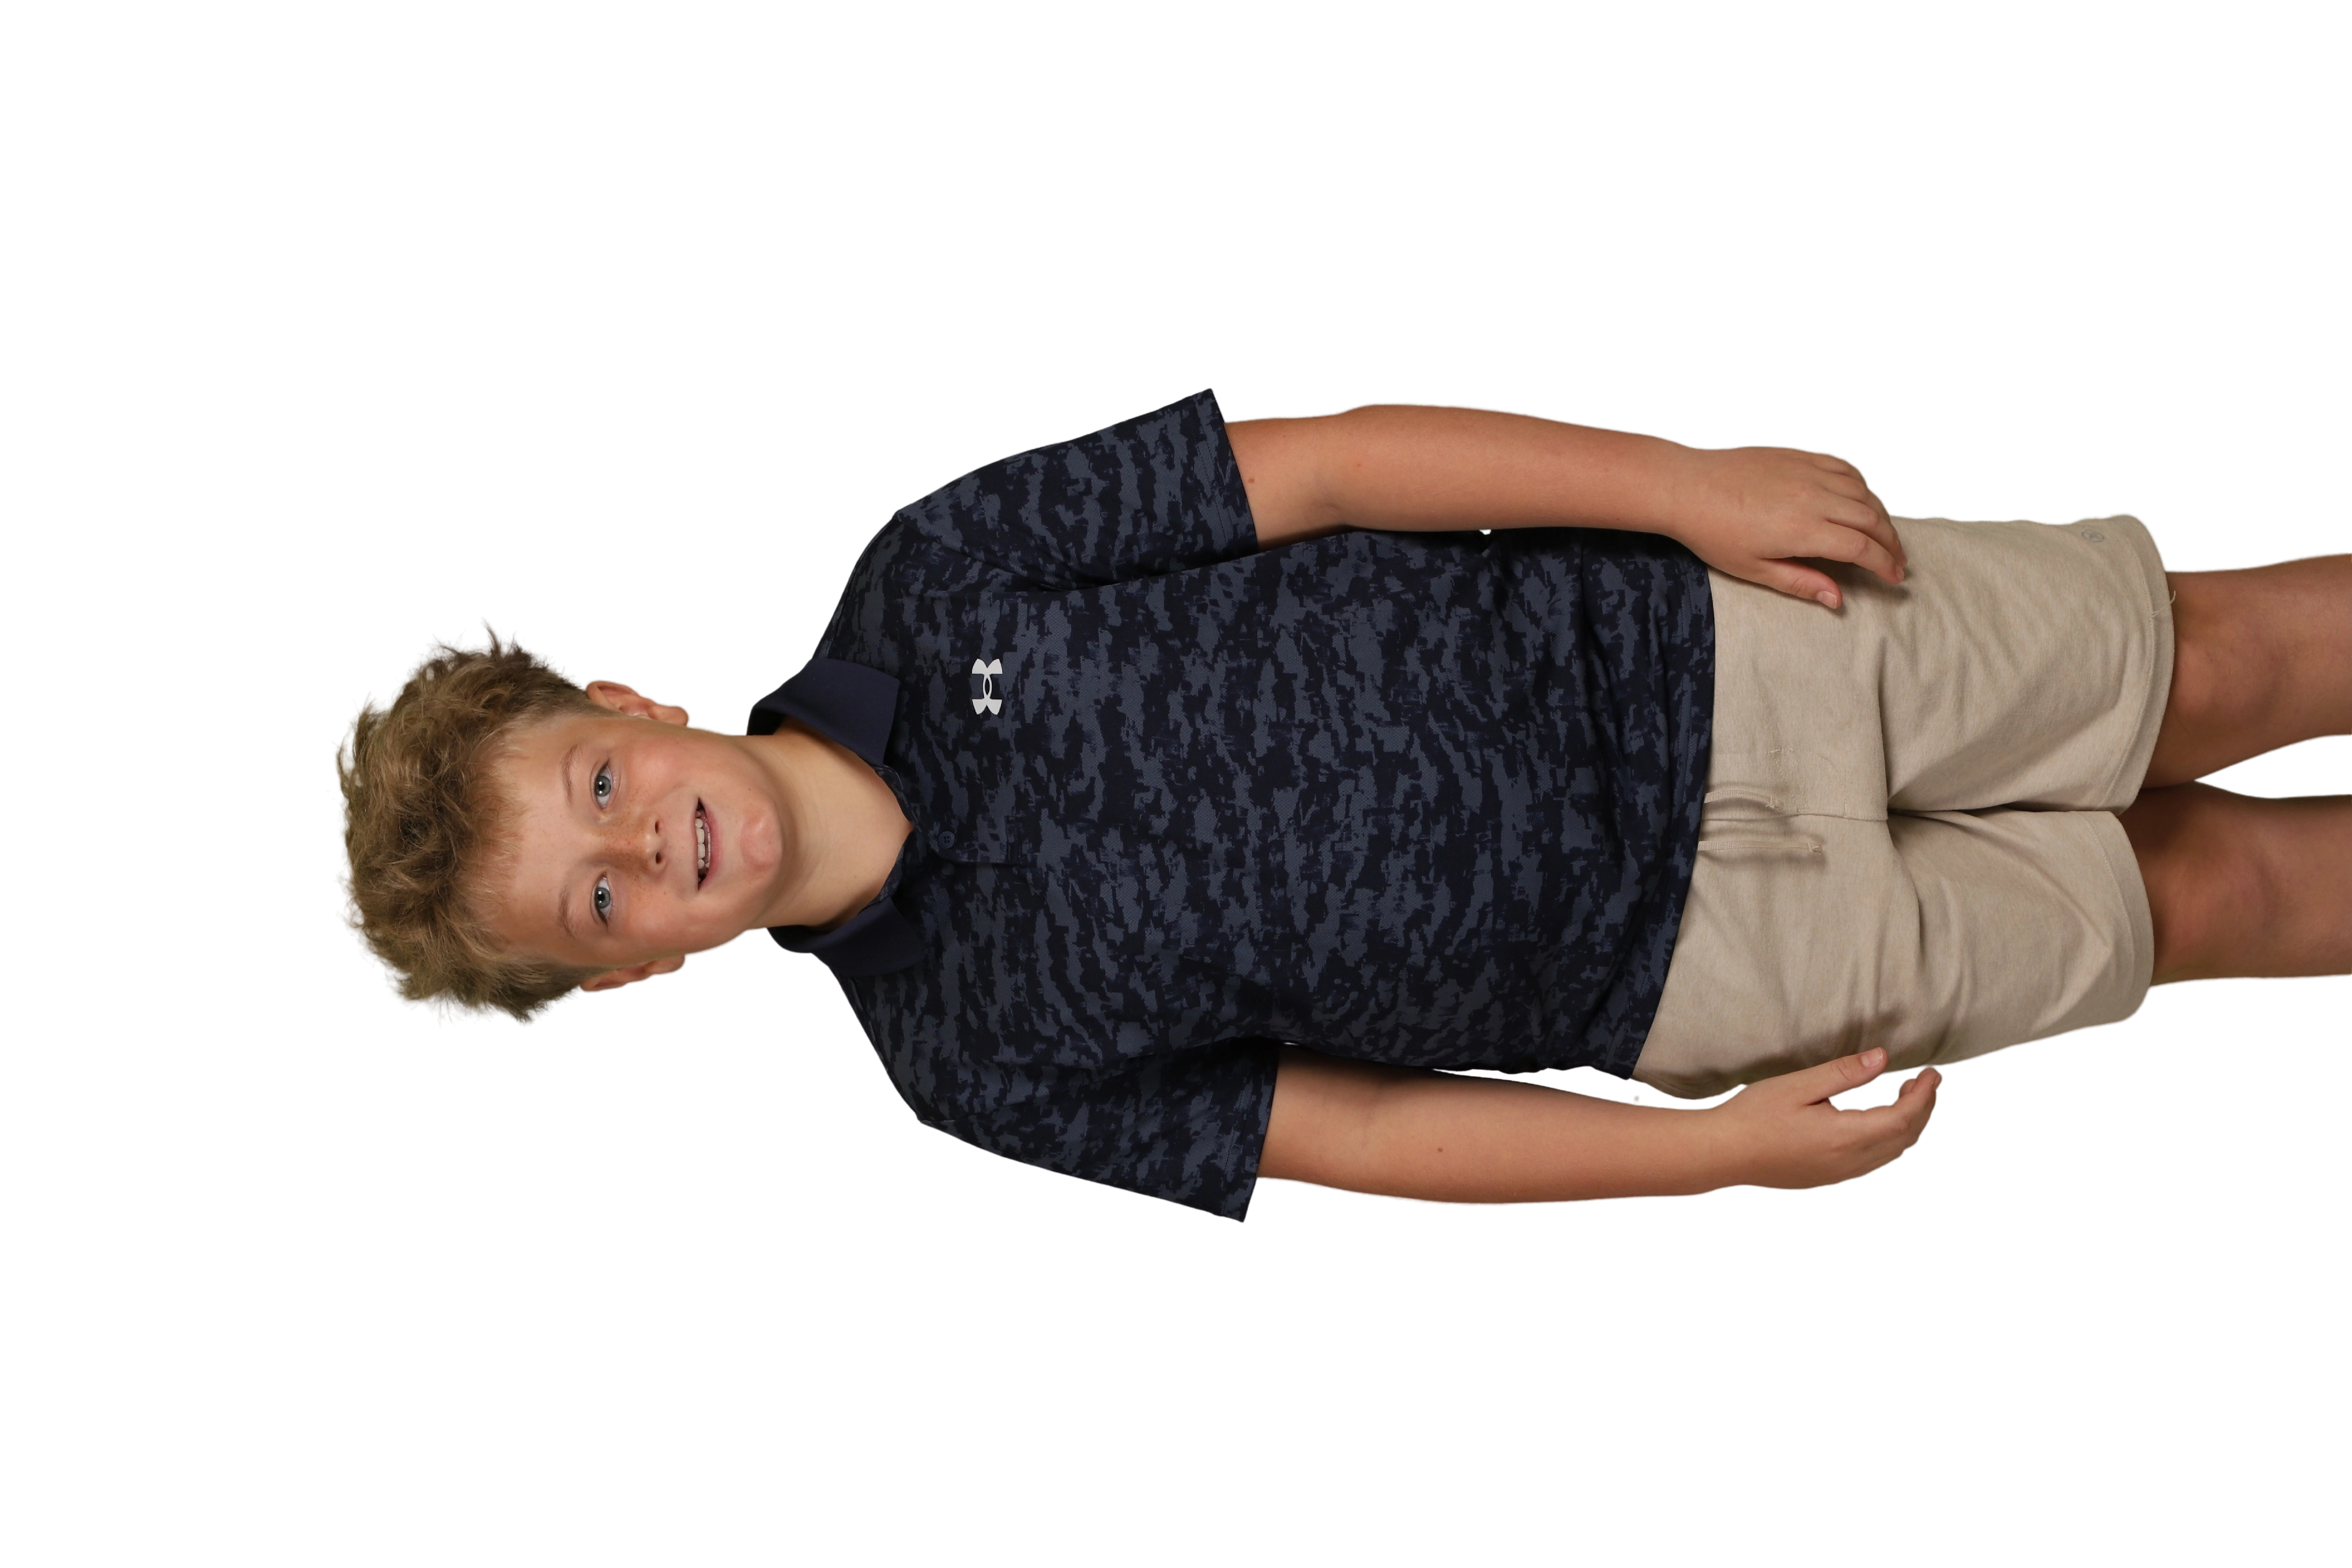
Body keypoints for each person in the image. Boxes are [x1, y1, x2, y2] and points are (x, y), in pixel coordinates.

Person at [327, 387, 2352, 1221]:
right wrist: (1710, 1154)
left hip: (1721, 643)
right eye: (599, 902)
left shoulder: (937, 572)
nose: (643, 846)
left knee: (2224, 666)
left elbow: (1326, 469)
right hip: (1705, 971)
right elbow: (1361, 1134)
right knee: (2208, 900)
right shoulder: (965, 1060)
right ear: (630, 977)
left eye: (601, 785)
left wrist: (1683, 490)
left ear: (622, 702)